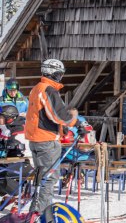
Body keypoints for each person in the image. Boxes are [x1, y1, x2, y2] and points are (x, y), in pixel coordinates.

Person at [24, 59, 83, 214]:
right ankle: (41, 213)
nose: (61, 77)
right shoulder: (47, 89)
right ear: (54, 73)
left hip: (36, 139)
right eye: (60, 74)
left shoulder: (37, 88)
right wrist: (77, 123)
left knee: (40, 177)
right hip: (46, 140)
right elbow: (57, 115)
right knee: (49, 178)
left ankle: (36, 209)